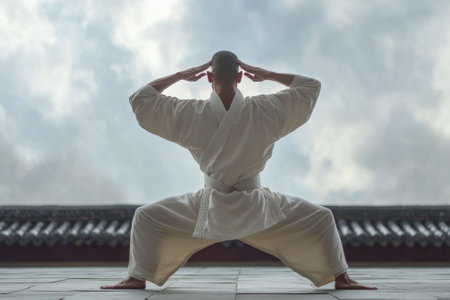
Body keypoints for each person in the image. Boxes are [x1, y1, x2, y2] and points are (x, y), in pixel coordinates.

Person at [101, 51, 376, 290]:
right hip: (259, 208)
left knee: (146, 217)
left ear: (209, 77)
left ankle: (137, 277)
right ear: (241, 76)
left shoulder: (190, 114)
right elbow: (310, 87)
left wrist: (180, 75)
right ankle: (342, 277)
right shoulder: (266, 109)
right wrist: (266, 74)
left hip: (208, 210)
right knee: (322, 218)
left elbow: (141, 99)